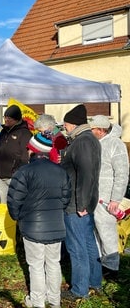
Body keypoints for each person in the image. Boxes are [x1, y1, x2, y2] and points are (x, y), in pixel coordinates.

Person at [7, 134, 71, 308]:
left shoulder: (24, 172)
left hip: (32, 226)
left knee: (35, 265)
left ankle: (37, 301)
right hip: (56, 225)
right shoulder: (60, 171)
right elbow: (66, 199)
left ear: (33, 151)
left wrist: (18, 217)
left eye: (29, 148)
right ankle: (54, 300)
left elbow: (14, 200)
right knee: (53, 263)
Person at [60, 104, 102, 301]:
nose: (65, 128)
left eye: (66, 125)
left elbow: (85, 175)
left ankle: (79, 289)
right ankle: (94, 281)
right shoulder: (88, 139)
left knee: (77, 247)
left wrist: (81, 205)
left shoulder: (82, 142)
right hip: (83, 202)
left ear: (73, 124)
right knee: (87, 243)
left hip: (77, 204)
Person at [89, 115, 129, 280]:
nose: (90, 131)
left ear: (100, 130)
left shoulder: (115, 144)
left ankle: (111, 268)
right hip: (93, 196)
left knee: (107, 233)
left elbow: (121, 173)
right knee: (96, 232)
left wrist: (116, 199)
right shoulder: (96, 143)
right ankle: (99, 264)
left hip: (106, 199)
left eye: (92, 129)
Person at [0, 105, 32, 203]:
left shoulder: (24, 133)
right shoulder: (4, 131)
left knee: (15, 203)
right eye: (5, 117)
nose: (6, 120)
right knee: (4, 205)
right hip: (0, 174)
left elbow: (25, 156)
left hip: (14, 175)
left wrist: (17, 171)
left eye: (9, 118)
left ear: (16, 119)